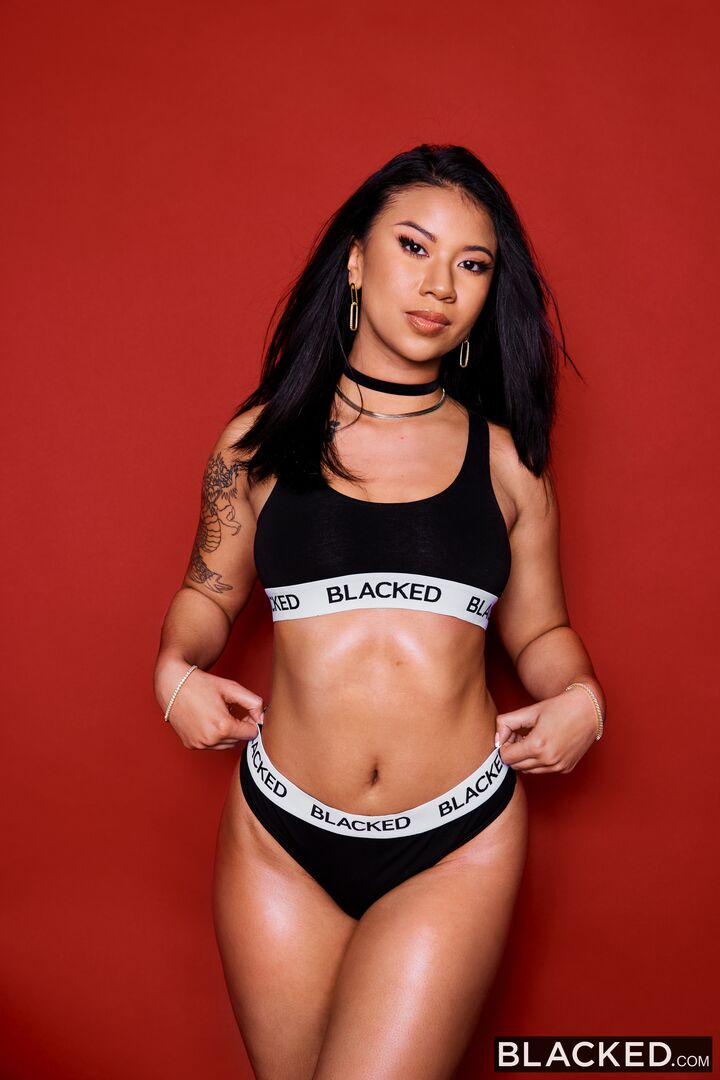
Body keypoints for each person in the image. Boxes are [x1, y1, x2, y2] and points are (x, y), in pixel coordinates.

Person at [153, 143, 606, 1080]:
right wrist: (175, 673)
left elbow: (541, 631)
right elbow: (207, 594)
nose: (440, 284)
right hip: (278, 837)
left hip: (455, 840)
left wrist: (582, 698)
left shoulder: (508, 463)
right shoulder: (257, 441)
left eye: (472, 264)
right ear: (356, 260)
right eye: (413, 246)